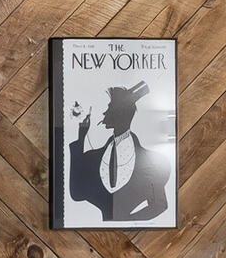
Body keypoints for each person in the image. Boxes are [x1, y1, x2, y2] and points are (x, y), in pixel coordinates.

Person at [67, 80, 169, 222]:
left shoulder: (153, 161)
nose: (105, 111)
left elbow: (159, 205)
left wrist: (126, 220)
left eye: (109, 107)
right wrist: (80, 138)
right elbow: (77, 193)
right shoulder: (92, 158)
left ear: (120, 112)